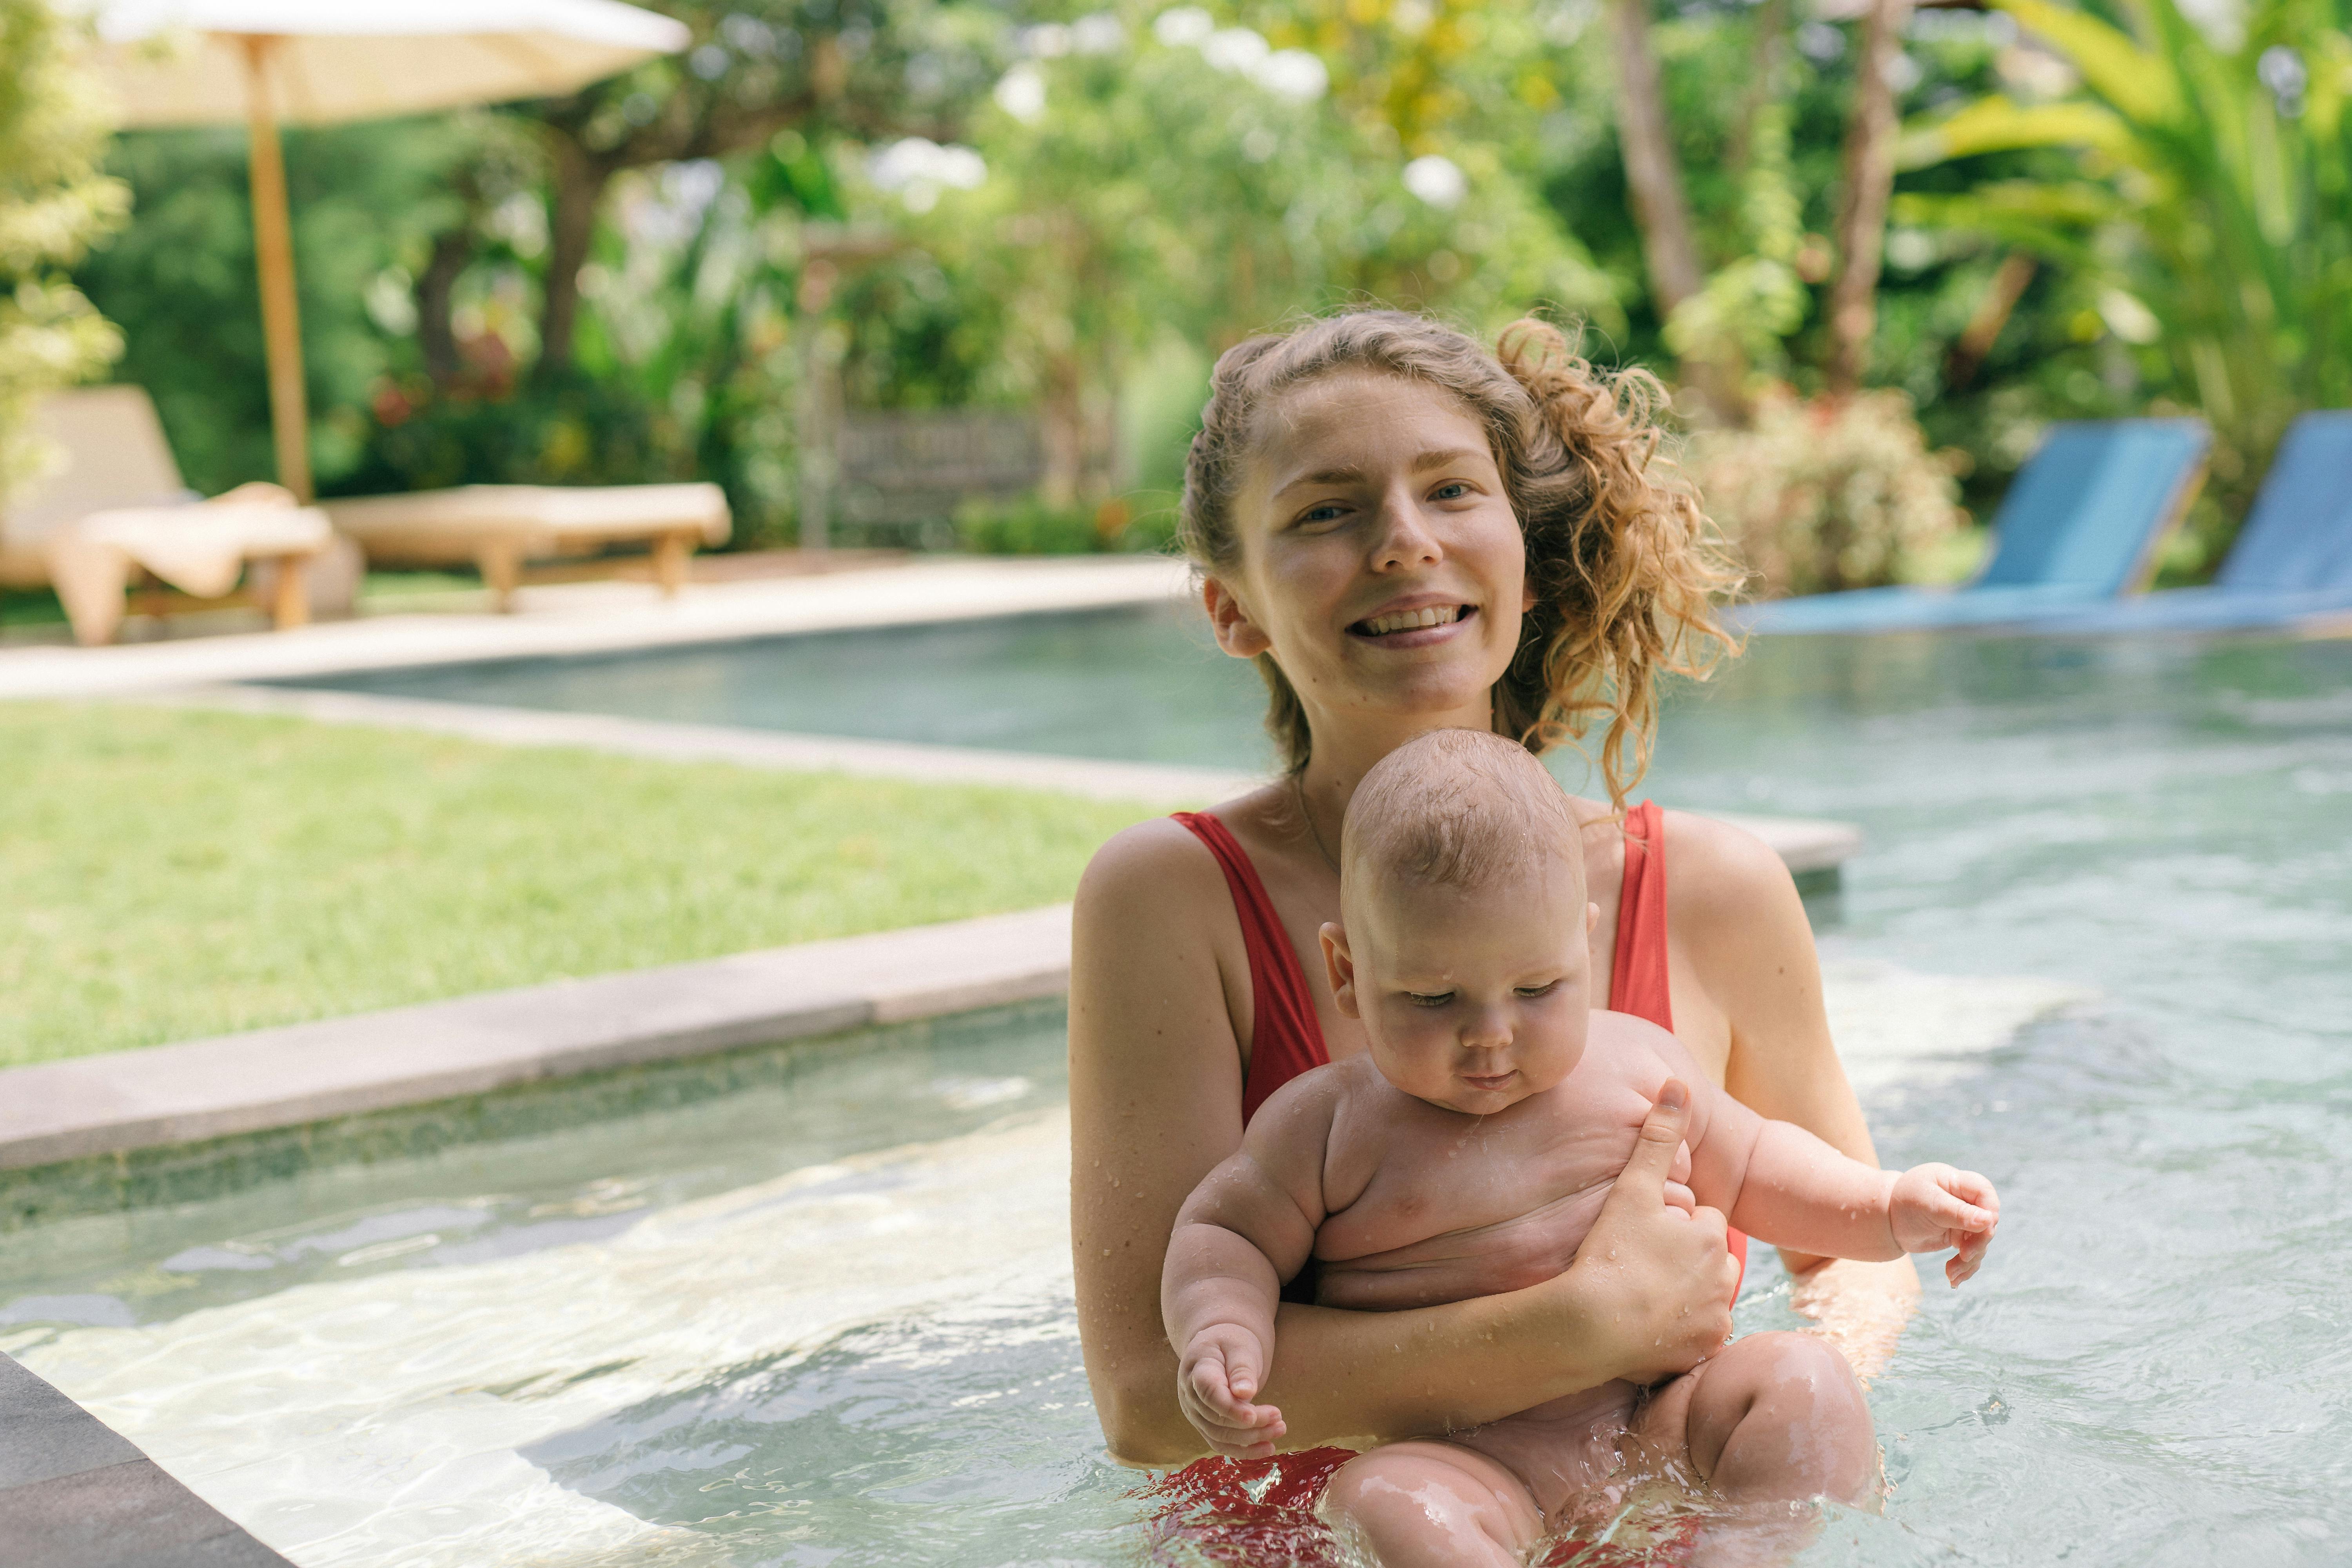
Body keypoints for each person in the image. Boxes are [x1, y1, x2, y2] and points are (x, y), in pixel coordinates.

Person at [1069, 309, 1921, 1483]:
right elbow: (1144, 1404)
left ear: (1521, 547)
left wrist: (1763, 1427)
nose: (1404, 543)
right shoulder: (1174, 901)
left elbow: (1855, 1259)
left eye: (1453, 492)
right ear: (1234, 607)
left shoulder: (1715, 892)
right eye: (1326, 511)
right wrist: (1574, 1333)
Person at [1160, 730, 1998, 1564]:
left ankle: (1744, 1553)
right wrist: (1221, 1328)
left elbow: (1755, 1161)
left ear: (1583, 947)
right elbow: (1224, 1232)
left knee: (1808, 1384)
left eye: (1536, 988)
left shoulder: (1639, 1064)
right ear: (1347, 969)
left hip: (1659, 1420)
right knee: (1387, 1500)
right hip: (1471, 1459)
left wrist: (1887, 1204)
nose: (1490, 1035)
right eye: (1431, 996)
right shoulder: (1325, 1126)